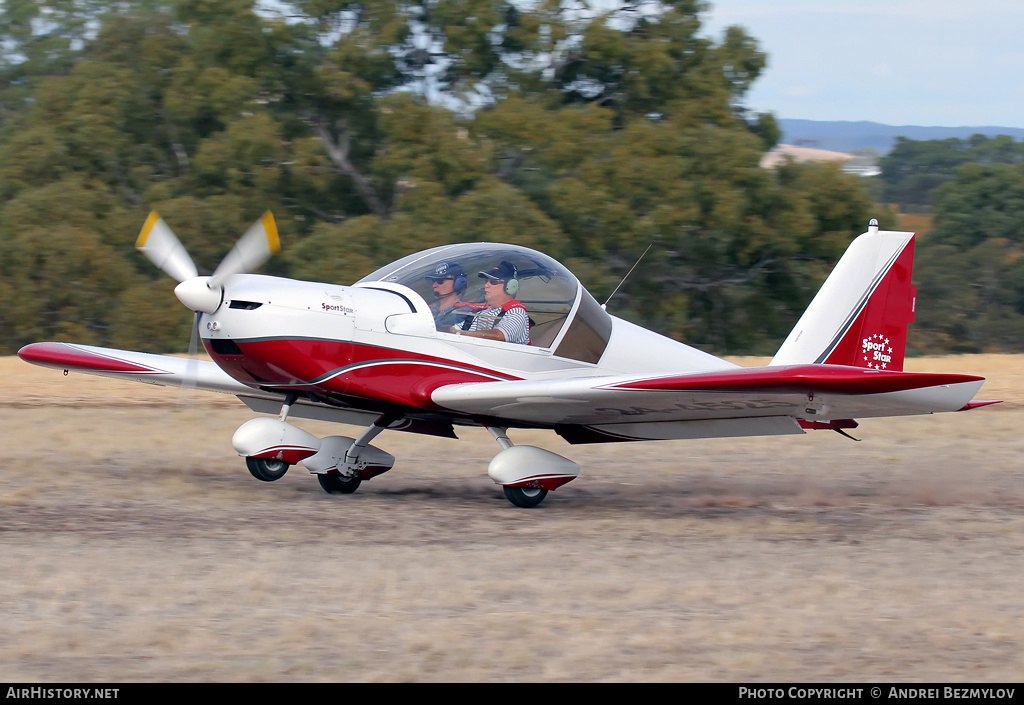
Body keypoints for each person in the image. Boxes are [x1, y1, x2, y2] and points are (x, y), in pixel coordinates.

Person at [451, 260, 530, 345]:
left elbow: (499, 335)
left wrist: (461, 334)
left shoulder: (517, 312)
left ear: (510, 286)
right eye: (486, 281)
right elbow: (453, 329)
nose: (486, 285)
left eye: (493, 282)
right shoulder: (483, 312)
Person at [424, 261, 475, 331]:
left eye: (440, 280)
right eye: (433, 281)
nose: (434, 285)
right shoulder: (428, 309)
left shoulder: (463, 312)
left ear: (458, 282)